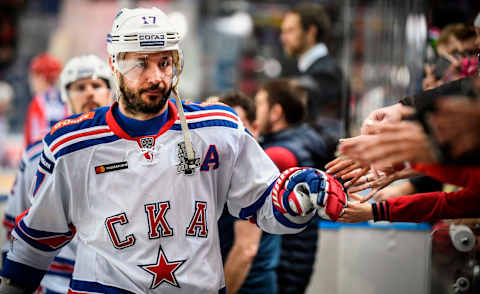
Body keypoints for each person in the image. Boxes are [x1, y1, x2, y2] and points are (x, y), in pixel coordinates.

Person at [0, 7, 347, 294]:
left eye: (165, 63)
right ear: (115, 64)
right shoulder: (72, 145)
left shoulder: (219, 129)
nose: (156, 77)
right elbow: (39, 237)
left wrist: (302, 195)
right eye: (141, 63)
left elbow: (266, 206)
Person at [2, 54, 113, 293]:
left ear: (110, 92)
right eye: (80, 87)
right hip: (52, 283)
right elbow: (14, 227)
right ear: (65, 95)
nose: (89, 93)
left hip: (109, 283)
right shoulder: (36, 154)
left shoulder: (130, 148)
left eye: (97, 85)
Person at [254, 79, 330, 294]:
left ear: (276, 112)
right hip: (294, 261)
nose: (255, 111)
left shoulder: (279, 155)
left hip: (282, 265)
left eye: (259, 104)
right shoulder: (301, 141)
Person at [216, 91, 281, 294]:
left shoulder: (250, 173)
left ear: (254, 128)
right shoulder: (224, 169)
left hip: (247, 286)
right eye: (221, 127)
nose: (229, 135)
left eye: (237, 126)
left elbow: (246, 251)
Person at [280, 3, 346, 148]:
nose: (283, 38)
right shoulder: (307, 70)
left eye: (290, 31)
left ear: (311, 32)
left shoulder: (326, 74)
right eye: (283, 31)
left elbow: (325, 134)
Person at [24, 53, 68, 146]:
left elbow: (33, 138)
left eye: (34, 77)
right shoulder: (65, 99)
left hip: (41, 154)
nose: (32, 82)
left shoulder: (38, 101)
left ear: (41, 77)